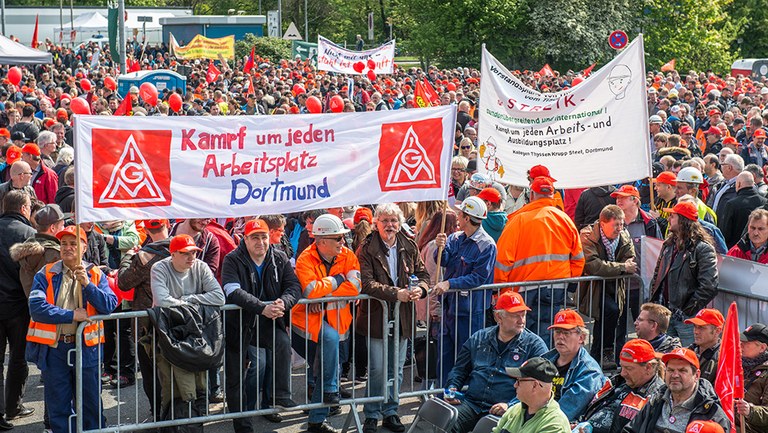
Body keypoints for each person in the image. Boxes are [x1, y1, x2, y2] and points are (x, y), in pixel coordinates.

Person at [27, 225, 118, 433]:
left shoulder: (94, 274)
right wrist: (71, 315)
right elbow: (37, 308)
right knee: (58, 407)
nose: (67, 248)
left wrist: (87, 285)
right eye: (63, 243)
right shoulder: (46, 273)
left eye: (73, 243)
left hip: (87, 350)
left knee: (91, 405)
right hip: (55, 350)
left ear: (84, 247)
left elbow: (109, 305)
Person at [356, 204, 430, 433]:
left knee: (396, 369)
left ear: (400, 223)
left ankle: (391, 411)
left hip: (403, 317)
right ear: (376, 222)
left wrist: (422, 289)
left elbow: (424, 273)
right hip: (377, 317)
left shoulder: (408, 245)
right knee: (378, 369)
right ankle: (371, 413)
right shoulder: (366, 248)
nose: (390, 225)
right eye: (385, 220)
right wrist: (395, 293)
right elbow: (366, 283)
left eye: (394, 221)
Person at [221, 219, 300, 431]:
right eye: (254, 237)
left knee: (282, 344)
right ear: (245, 239)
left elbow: (293, 286)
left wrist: (284, 302)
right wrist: (261, 307)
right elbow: (232, 290)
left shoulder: (279, 257)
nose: (260, 242)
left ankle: (279, 395)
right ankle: (242, 421)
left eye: (263, 236)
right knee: (239, 374)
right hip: (238, 323)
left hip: (268, 321)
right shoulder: (232, 259)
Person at [292, 214, 361, 433]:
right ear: (322, 242)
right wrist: (339, 280)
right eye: (338, 238)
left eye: (343, 238)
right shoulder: (305, 259)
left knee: (328, 368)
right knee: (325, 368)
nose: (343, 242)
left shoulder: (348, 256)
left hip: (337, 324)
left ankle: (316, 421)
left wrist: (323, 297)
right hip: (306, 327)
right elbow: (309, 291)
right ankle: (330, 393)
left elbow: (356, 287)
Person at [495, 177, 584, 343]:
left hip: (523, 287)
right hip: (556, 286)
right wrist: (569, 281)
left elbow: (503, 260)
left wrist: (501, 289)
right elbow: (578, 258)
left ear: (532, 194)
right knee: (548, 331)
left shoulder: (519, 220)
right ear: (552, 195)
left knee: (521, 333)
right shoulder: (565, 220)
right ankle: (544, 366)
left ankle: (526, 366)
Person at [445, 292, 548, 433]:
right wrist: (452, 388)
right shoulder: (479, 338)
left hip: (506, 410)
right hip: (472, 404)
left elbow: (540, 385)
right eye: (515, 315)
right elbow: (459, 369)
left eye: (523, 314)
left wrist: (511, 405)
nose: (521, 320)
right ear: (498, 316)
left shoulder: (534, 345)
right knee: (446, 423)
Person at [150, 234, 226, 418]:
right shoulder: (159, 268)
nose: (192, 257)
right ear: (173, 253)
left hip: (195, 333)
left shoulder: (201, 266)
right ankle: (169, 421)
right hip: (168, 333)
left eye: (194, 252)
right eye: (186, 253)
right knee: (171, 383)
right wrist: (197, 305)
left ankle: (195, 422)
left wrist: (188, 299)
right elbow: (161, 301)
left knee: (199, 382)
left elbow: (219, 297)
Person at [432, 196, 497, 382]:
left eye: (460, 213)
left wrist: (450, 284)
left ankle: (464, 396)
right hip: (449, 307)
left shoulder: (487, 245)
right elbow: (442, 261)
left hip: (470, 311)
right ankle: (443, 393)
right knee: (444, 355)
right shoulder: (454, 238)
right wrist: (440, 248)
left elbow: (478, 277)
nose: (458, 217)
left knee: (467, 357)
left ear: (467, 218)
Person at [116, 219, 170, 421]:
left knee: (151, 374)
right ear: (168, 226)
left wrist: (128, 257)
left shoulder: (144, 256)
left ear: (146, 230)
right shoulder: (182, 251)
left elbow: (123, 282)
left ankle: (158, 415)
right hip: (175, 322)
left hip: (147, 325)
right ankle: (173, 414)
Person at [649, 201, 718, 347]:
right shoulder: (668, 244)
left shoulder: (702, 249)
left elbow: (709, 285)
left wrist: (687, 310)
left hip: (686, 318)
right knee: (667, 358)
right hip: (665, 314)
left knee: (688, 357)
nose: (668, 219)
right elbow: (657, 275)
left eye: (672, 216)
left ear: (683, 220)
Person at [579, 205, 637, 367]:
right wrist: (621, 267)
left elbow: (630, 258)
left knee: (608, 318)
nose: (620, 229)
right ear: (603, 223)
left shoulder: (624, 235)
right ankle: (605, 351)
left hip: (616, 287)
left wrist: (620, 267)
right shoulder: (588, 236)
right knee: (609, 312)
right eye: (616, 225)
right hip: (594, 287)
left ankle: (597, 356)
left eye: (621, 224)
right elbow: (593, 265)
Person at [622, 347, 730, 433]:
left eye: (682, 370)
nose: (675, 375)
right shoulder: (656, 399)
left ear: (696, 375)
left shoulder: (711, 411)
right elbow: (631, 429)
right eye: (670, 370)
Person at [0, 190, 36, 428]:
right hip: (18, 306)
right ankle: (13, 406)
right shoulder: (29, 234)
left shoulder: (27, 233)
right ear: (24, 209)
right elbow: (33, 274)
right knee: (17, 358)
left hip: (11, 304)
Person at [579, 339, 665, 433]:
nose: (623, 373)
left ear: (648, 368)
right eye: (622, 367)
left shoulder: (656, 397)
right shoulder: (616, 382)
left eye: (629, 368)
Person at [535, 309, 606, 422]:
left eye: (566, 333)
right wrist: (509, 407)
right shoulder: (545, 360)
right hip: (538, 418)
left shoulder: (589, 372)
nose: (560, 337)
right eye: (557, 332)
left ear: (581, 338)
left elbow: (564, 412)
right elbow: (526, 390)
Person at [492, 357, 571, 433]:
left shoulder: (555, 424)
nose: (515, 385)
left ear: (534, 385)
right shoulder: (514, 410)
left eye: (519, 381)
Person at [718, 171, 766, 248]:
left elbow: (724, 233)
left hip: (736, 252)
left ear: (739, 184)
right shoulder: (764, 202)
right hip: (760, 250)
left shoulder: (732, 204)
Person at [735, 323, 768, 433]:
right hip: (730, 421)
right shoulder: (737, 365)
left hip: (750, 428)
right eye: (741, 342)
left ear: (762, 347)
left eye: (746, 343)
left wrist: (750, 411)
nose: (741, 345)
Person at [684, 308, 723, 385]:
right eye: (695, 326)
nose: (696, 331)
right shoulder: (687, 352)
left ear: (717, 331)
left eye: (701, 328)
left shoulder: (723, 359)